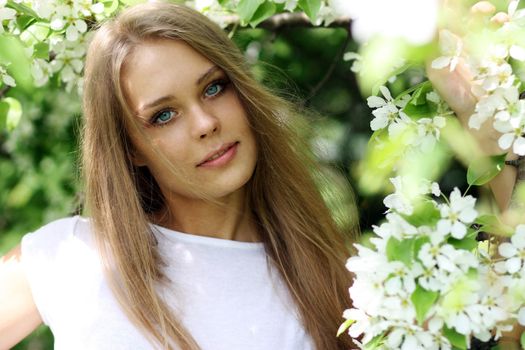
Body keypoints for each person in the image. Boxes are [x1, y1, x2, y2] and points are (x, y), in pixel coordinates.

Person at [0, 2, 355, 350]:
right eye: (164, 115)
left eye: (213, 88)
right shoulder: (70, 256)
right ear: (130, 149)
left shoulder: (335, 283)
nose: (205, 124)